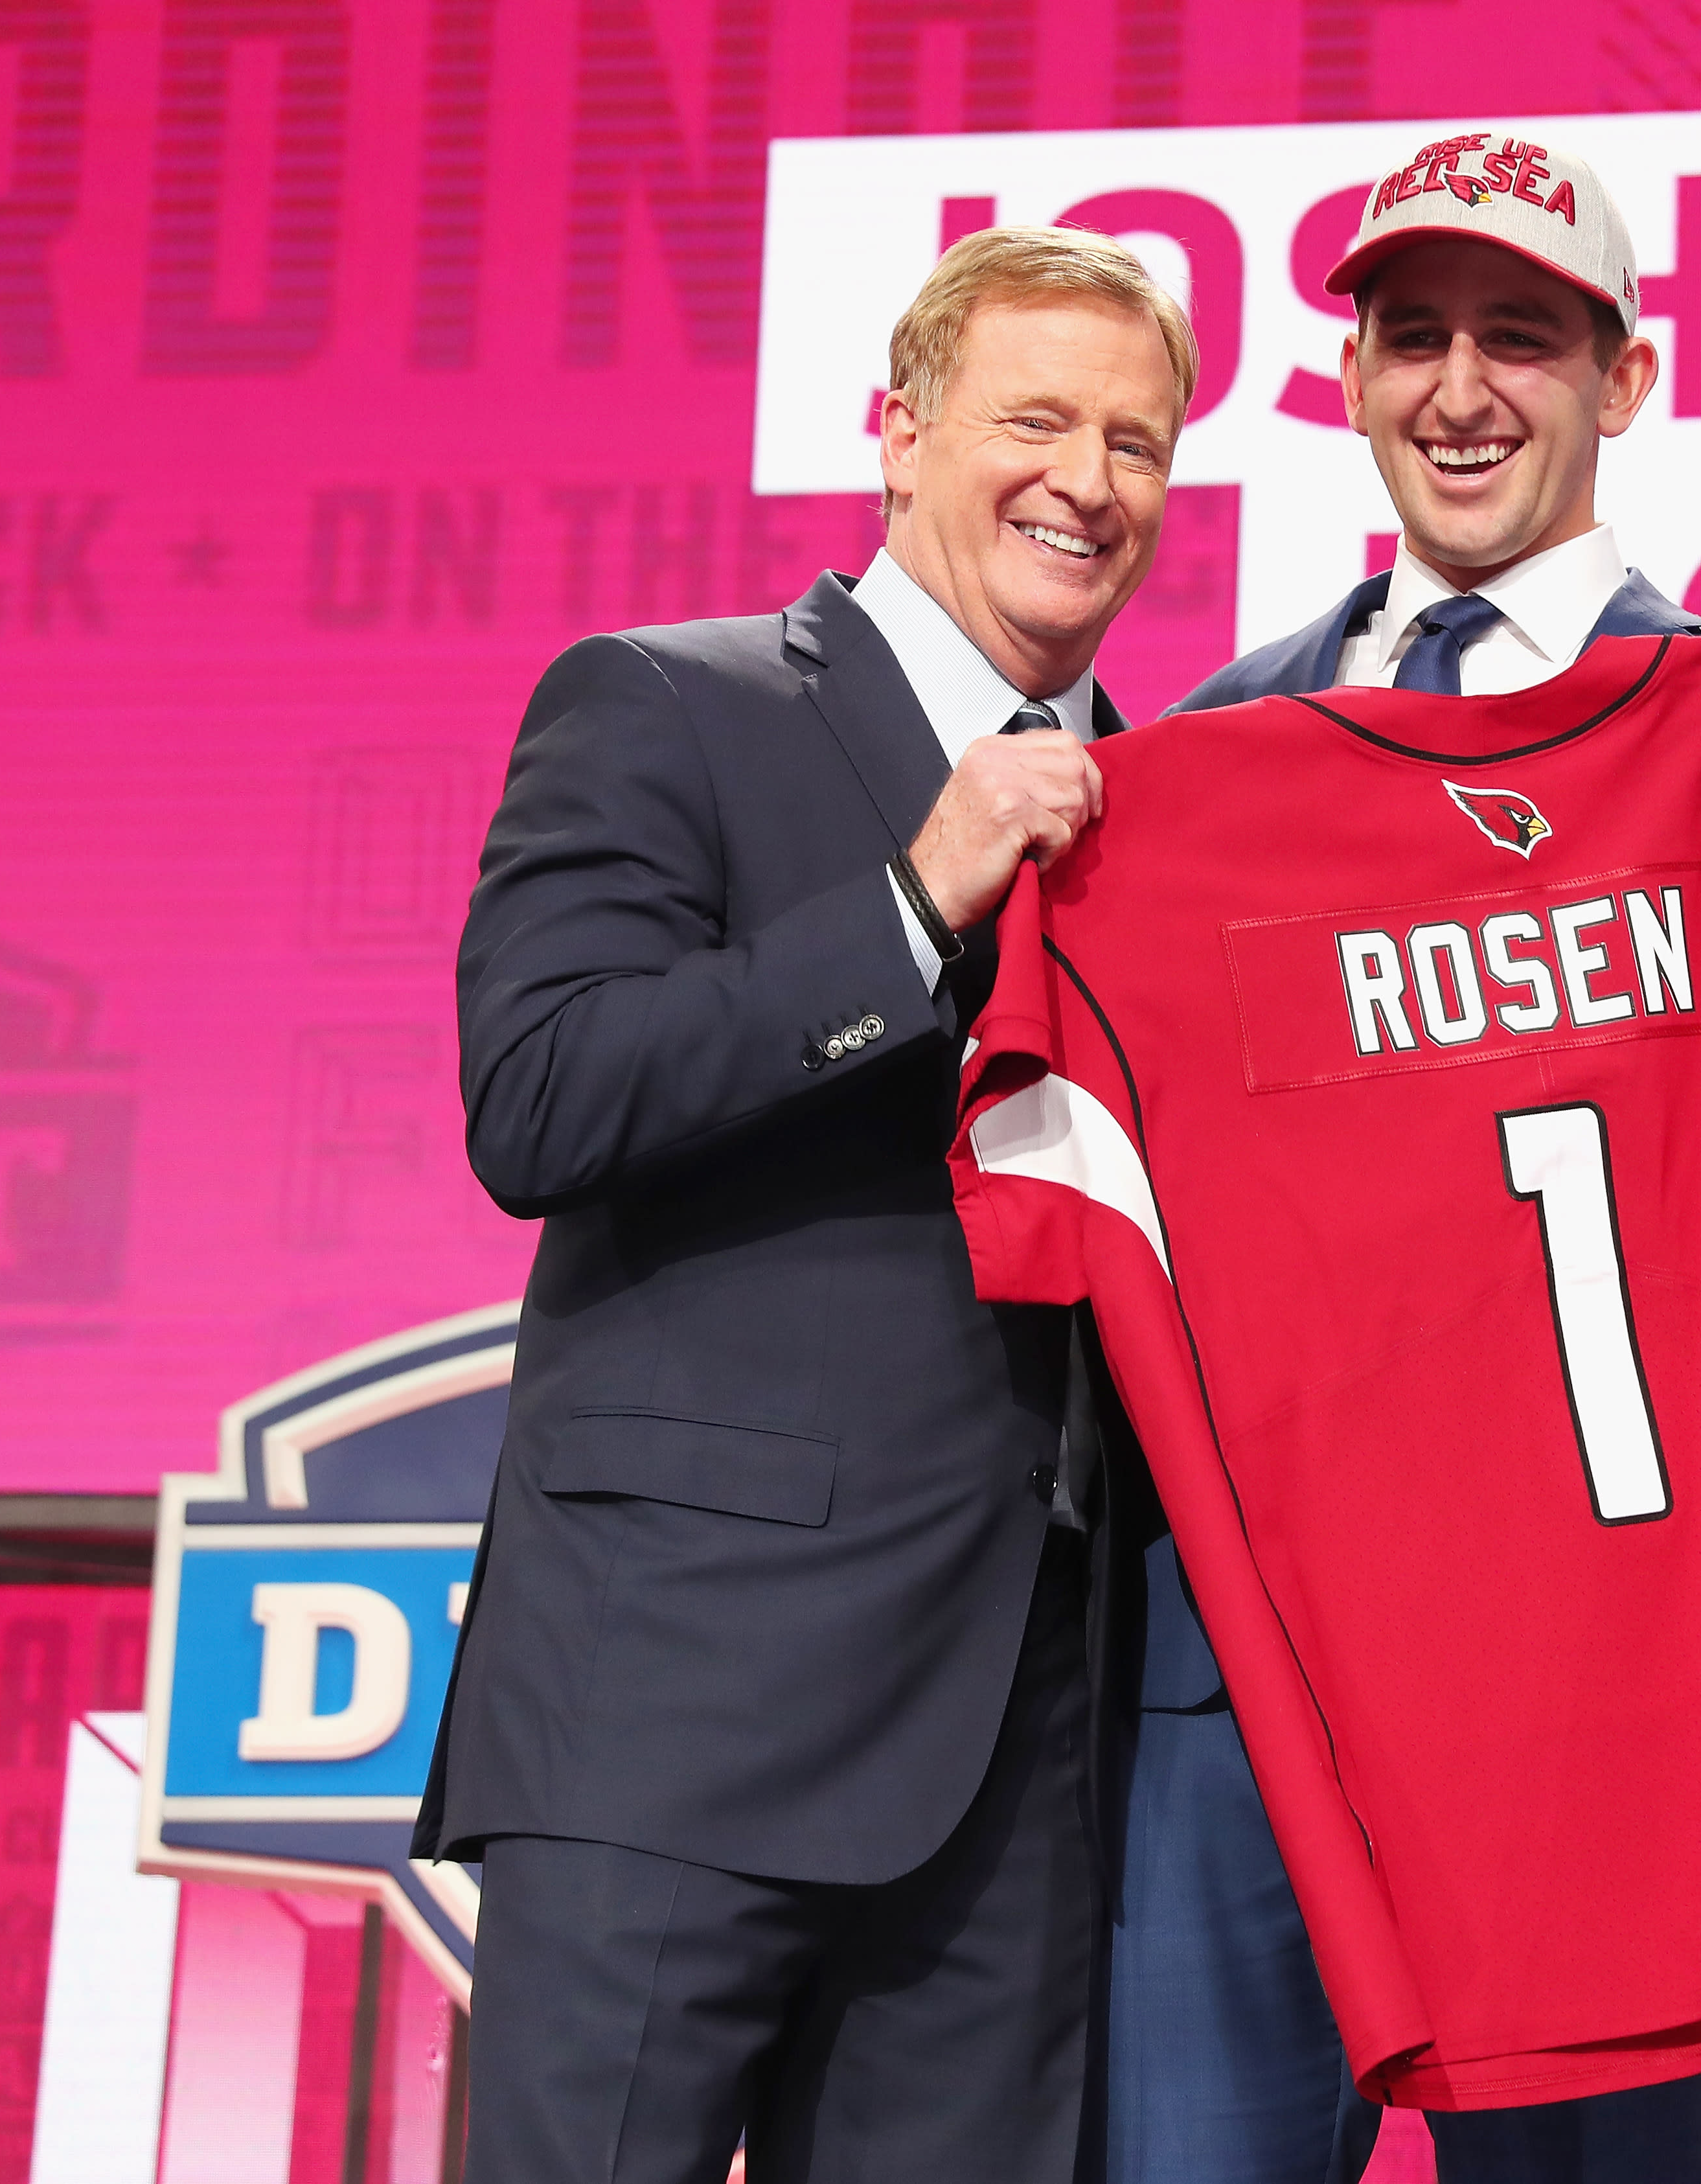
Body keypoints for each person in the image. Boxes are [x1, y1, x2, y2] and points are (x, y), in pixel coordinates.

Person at [1102, 134, 1701, 2184]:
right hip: (1250, 1706)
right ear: (1346, 378)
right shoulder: (1181, 773)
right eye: (1414, 335)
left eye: (1522, 339)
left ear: (1623, 382)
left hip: (1594, 1701)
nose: (1461, 388)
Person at [415, 227, 1194, 2184]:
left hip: (1020, 1767)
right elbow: (542, 1095)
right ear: (899, 432)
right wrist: (914, 906)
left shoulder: (1170, 814)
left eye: (1139, 441)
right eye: (1036, 418)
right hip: (681, 1715)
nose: (1087, 482)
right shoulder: (669, 705)